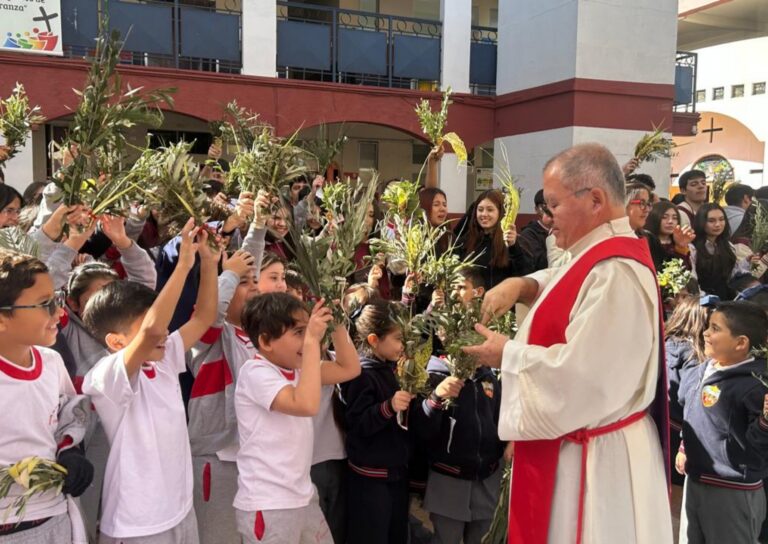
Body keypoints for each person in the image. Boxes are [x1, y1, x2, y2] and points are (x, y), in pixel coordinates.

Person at [464, 143, 672, 543]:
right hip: (579, 451)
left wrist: (505, 353)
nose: (546, 217)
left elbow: (584, 379)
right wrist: (523, 285)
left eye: (554, 205)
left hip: (595, 467)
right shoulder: (598, 253)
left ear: (595, 200)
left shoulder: (616, 272)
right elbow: (566, 281)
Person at [82, 219, 219, 543]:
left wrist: (210, 263)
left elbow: (203, 317)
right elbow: (155, 331)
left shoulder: (165, 355)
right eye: (147, 328)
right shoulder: (107, 375)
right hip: (137, 525)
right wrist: (183, 266)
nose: (165, 333)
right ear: (116, 342)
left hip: (181, 509)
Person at [234, 293, 360, 544]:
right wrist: (312, 342)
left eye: (307, 330)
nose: (308, 337)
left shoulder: (299, 370)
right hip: (269, 504)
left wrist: (336, 324)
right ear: (266, 341)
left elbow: (350, 368)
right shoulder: (255, 372)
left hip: (302, 496)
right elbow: (305, 404)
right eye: (298, 332)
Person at [0, 250, 94, 543]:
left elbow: (68, 414)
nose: (60, 312)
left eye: (57, 298)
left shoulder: (51, 363)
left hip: (55, 517)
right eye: (45, 304)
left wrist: (70, 452)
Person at [412, 266, 505, 544]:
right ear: (442, 335)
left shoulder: (489, 376)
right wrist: (436, 398)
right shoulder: (435, 373)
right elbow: (422, 429)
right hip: (448, 482)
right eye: (451, 330)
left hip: (487, 479)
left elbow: (500, 417)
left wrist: (509, 442)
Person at [676, 301, 768, 544]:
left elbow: (758, 451)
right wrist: (685, 446)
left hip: (733, 490)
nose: (705, 332)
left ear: (741, 343)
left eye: (715, 328)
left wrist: (765, 422)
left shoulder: (756, 386)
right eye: (708, 326)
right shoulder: (700, 371)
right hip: (695, 479)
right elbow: (690, 412)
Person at [342, 299, 414, 544]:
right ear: (373, 339)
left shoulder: (390, 369)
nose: (402, 346)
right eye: (397, 339)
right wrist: (389, 407)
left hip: (393, 475)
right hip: (370, 480)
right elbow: (358, 424)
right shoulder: (361, 375)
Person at [664, 296, 709, 486]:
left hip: (657, 423)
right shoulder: (694, 357)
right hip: (679, 432)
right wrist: (685, 446)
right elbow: (690, 398)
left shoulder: (662, 343)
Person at [457, 189, 533, 290]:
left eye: (490, 210)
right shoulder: (465, 242)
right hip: (471, 303)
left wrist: (513, 247)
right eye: (480, 210)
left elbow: (524, 276)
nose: (484, 214)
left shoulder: (512, 242)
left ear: (501, 213)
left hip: (501, 302)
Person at [691, 203, 746, 300]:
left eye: (721, 219)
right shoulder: (692, 247)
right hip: (702, 301)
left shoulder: (728, 246)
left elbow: (733, 275)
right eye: (711, 221)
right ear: (701, 222)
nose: (718, 224)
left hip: (727, 299)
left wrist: (747, 263)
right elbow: (692, 279)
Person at [645, 202, 695, 271]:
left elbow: (686, 270)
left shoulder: (679, 242)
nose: (670, 221)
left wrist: (681, 248)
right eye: (664, 217)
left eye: (675, 218)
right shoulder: (647, 241)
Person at [519, 189, 553, 271]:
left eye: (554, 205)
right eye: (545, 206)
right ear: (536, 209)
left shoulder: (564, 229)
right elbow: (542, 264)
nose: (549, 210)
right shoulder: (528, 234)